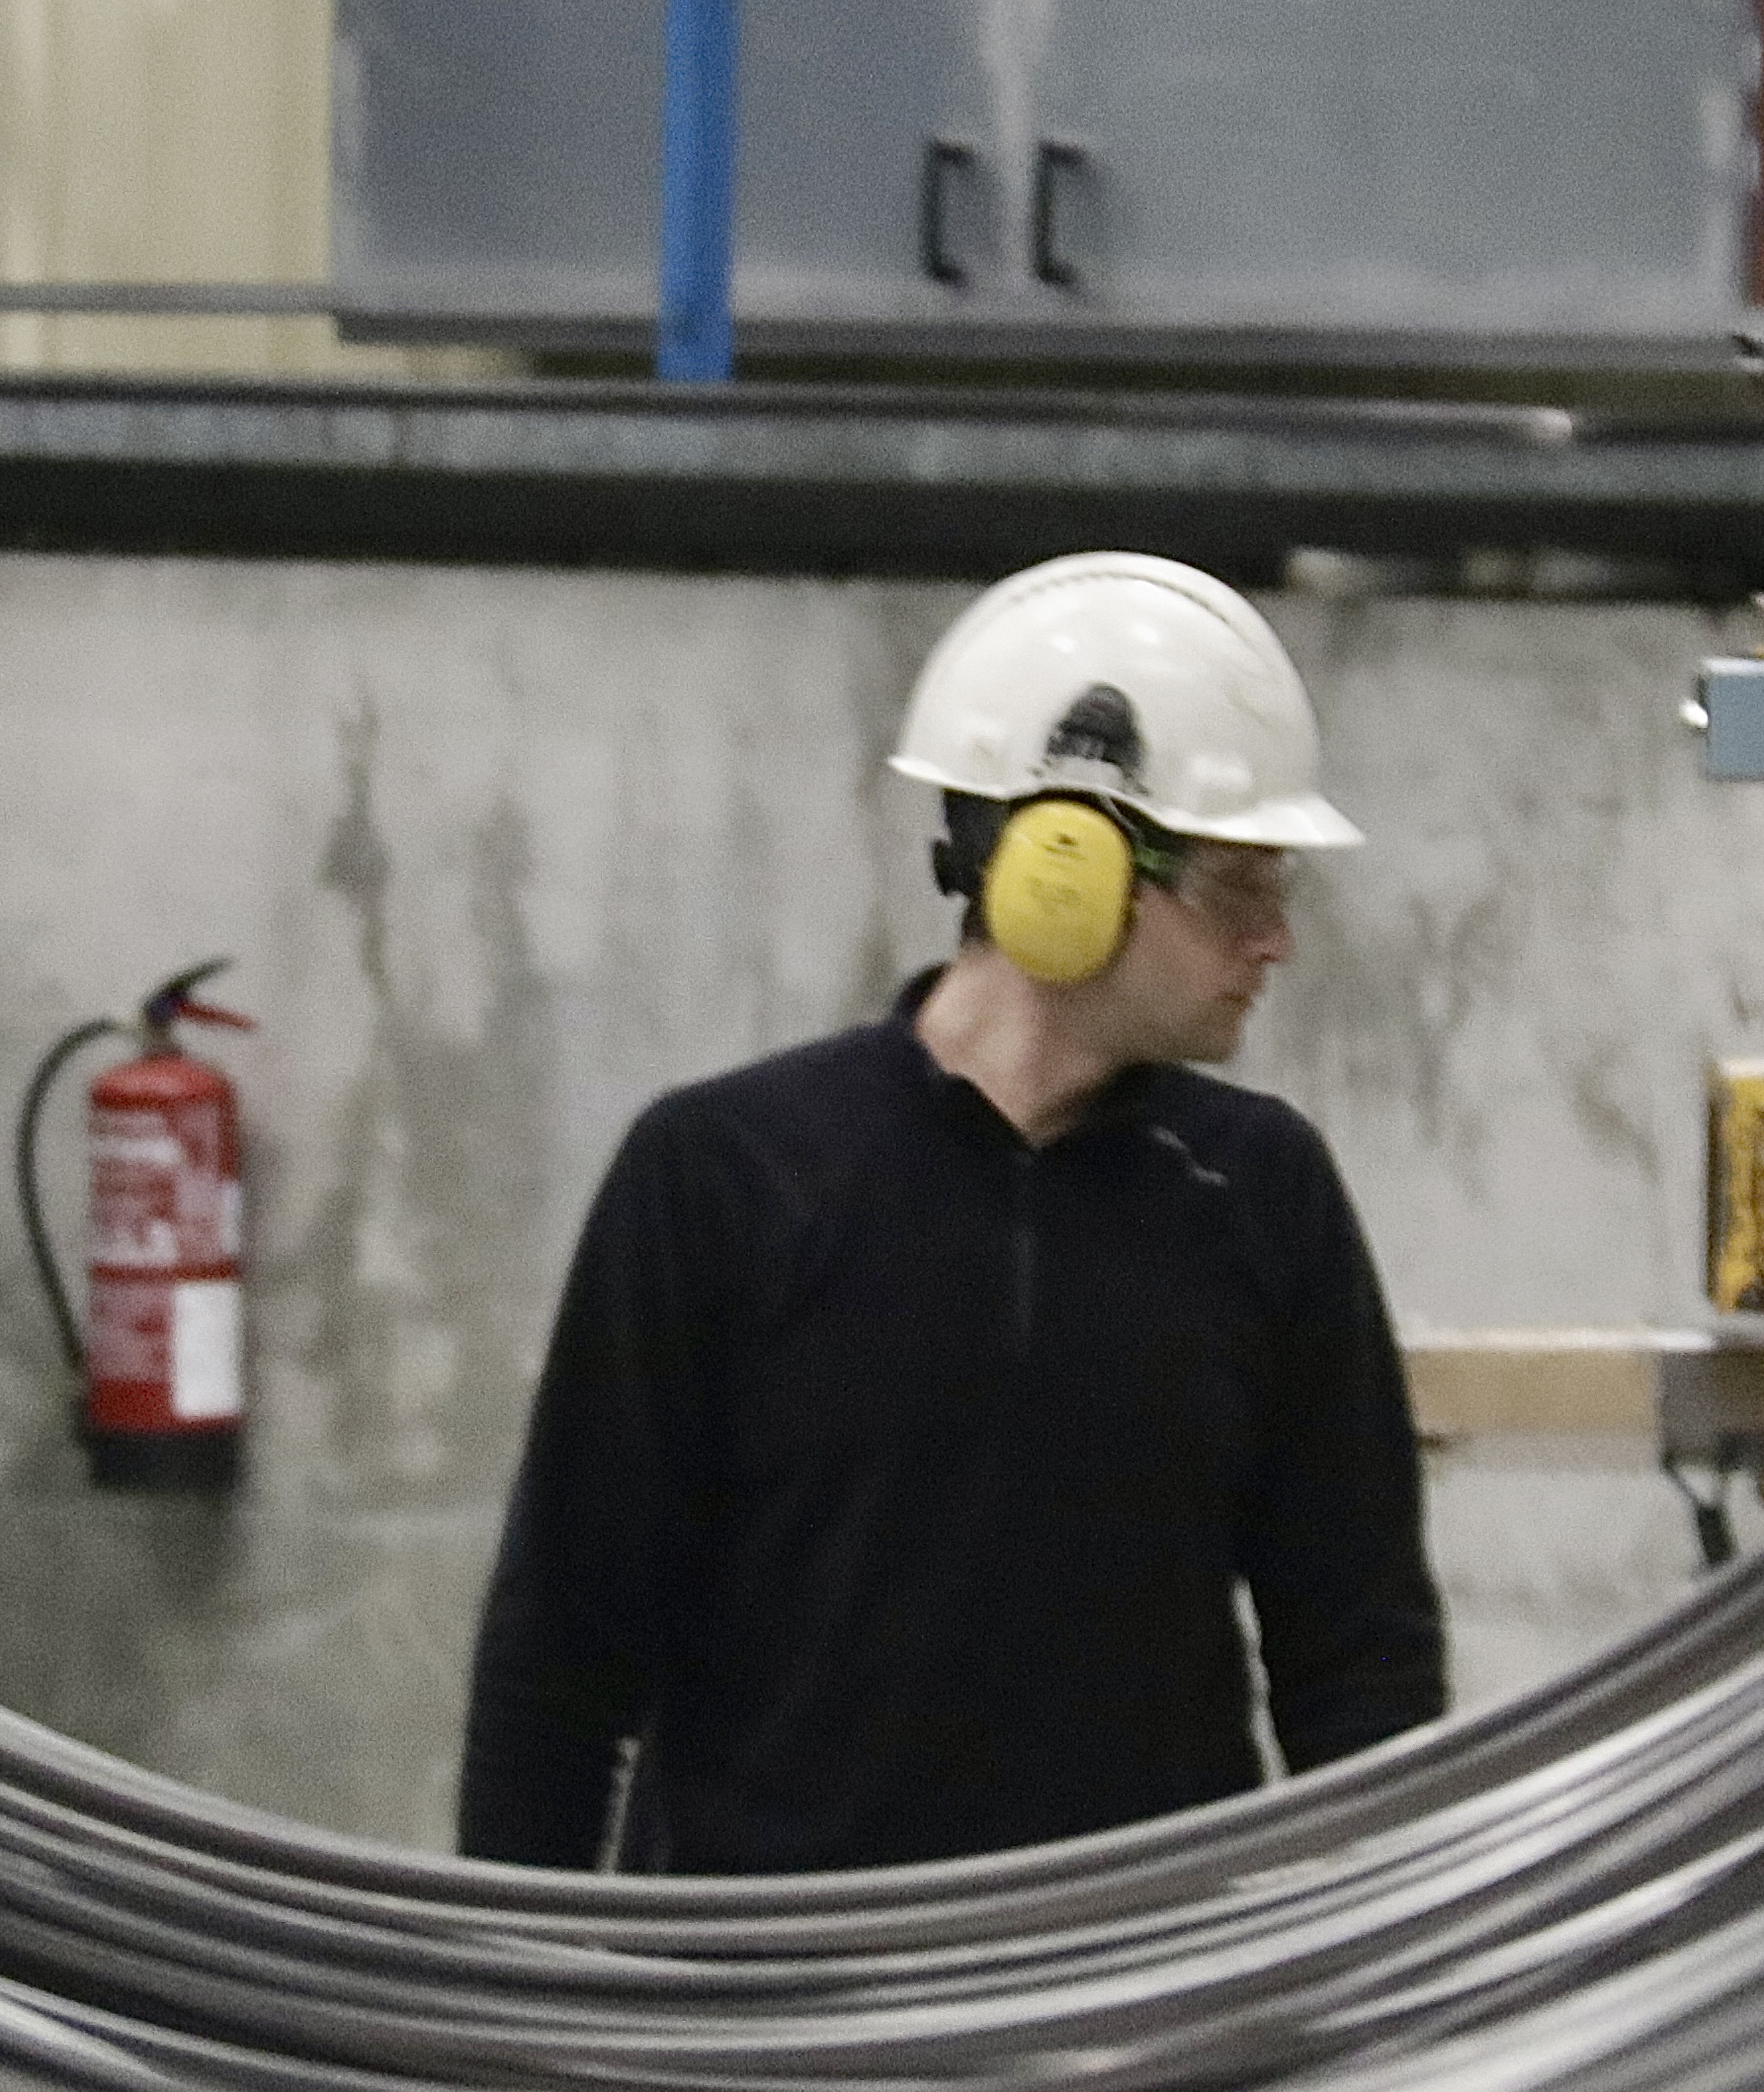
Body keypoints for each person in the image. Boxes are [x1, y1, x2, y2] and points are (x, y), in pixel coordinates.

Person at [458, 553, 1451, 1873]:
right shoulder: (721, 1176)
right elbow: (558, 1662)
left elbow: (1360, 1667)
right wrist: (528, 2018)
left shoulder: (1261, 1195)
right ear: (1066, 864)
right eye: (1240, 890)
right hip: (768, 2024)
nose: (1274, 942)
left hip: (1142, 2017)